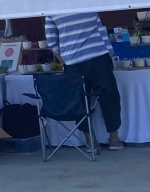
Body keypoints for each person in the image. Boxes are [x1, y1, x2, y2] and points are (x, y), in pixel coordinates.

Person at [45, 12, 124, 150]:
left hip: (73, 61)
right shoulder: (88, 5)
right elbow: (101, 30)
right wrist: (109, 53)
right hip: (98, 56)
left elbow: (51, 42)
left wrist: (64, 59)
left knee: (79, 102)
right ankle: (114, 139)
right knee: (109, 97)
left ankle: (90, 141)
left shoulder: (51, 12)